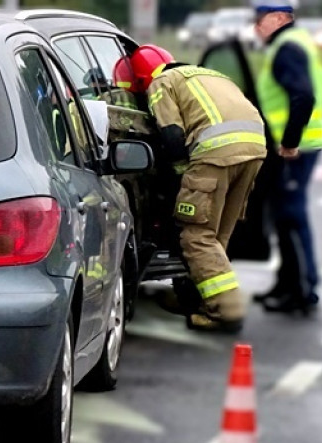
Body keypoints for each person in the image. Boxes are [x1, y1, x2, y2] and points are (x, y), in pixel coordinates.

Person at [114, 45, 267, 333]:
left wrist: (181, 179)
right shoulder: (209, 75)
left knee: (196, 235)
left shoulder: (161, 83)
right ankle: (199, 299)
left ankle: (227, 309)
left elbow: (172, 137)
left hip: (214, 153)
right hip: (255, 149)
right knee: (218, 233)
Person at [251, 0, 322, 315]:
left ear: (281, 17)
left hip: (295, 150)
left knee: (292, 218)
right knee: (283, 217)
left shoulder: (287, 48)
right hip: (295, 147)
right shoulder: (293, 42)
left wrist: (290, 142)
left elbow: (303, 95)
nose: (256, 25)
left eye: (261, 18)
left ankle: (303, 290)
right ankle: (286, 284)